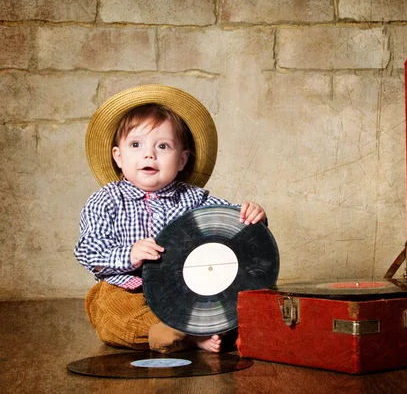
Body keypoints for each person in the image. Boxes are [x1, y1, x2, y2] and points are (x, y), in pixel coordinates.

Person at [74, 85, 266, 354]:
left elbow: (230, 223)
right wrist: (128, 255)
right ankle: (181, 334)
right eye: (136, 145)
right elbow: (88, 250)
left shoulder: (192, 199)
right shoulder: (105, 200)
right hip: (127, 288)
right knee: (109, 313)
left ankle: (201, 329)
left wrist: (252, 216)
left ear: (182, 160)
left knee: (235, 301)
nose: (149, 154)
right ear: (118, 156)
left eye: (163, 146)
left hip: (182, 290)